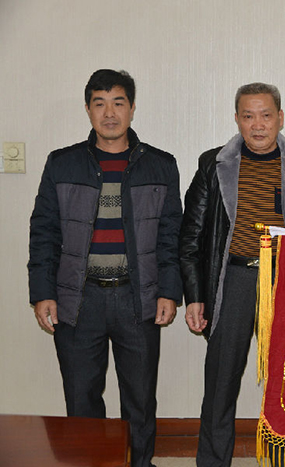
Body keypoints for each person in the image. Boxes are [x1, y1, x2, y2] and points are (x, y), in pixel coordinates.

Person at [28, 69, 182, 467]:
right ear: (88, 109)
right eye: (100, 103)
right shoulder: (62, 164)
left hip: (138, 297)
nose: (109, 113)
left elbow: (171, 237)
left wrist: (169, 290)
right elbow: (43, 233)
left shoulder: (161, 165)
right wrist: (42, 293)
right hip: (78, 300)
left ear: (132, 108)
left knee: (140, 401)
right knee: (81, 399)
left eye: (118, 103)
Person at [179, 82, 285, 466]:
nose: (258, 124)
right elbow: (190, 237)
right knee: (220, 383)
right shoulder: (213, 164)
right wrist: (194, 296)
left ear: (280, 118)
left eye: (266, 115)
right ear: (237, 119)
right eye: (248, 116)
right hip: (232, 280)